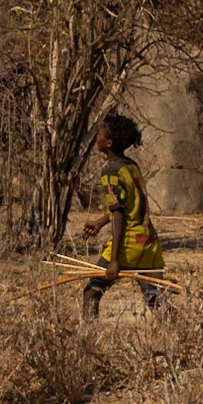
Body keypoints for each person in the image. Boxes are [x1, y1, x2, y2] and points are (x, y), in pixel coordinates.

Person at [80, 112, 164, 319]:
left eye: (99, 132)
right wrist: (101, 222)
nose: (96, 136)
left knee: (91, 292)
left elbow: (119, 216)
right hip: (149, 245)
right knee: (156, 300)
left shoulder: (111, 172)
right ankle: (179, 340)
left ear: (108, 142)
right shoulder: (130, 166)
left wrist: (115, 260)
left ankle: (89, 344)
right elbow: (129, 205)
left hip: (128, 246)